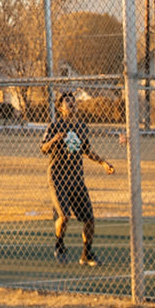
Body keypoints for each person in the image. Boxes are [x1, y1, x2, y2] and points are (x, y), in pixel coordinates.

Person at [39, 92, 117, 265]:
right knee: (65, 215)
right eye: (67, 101)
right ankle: (59, 245)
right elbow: (43, 148)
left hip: (76, 180)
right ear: (60, 108)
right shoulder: (54, 126)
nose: (71, 103)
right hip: (58, 178)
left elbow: (87, 150)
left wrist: (103, 163)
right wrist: (53, 140)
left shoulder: (82, 127)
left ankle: (86, 254)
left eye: (73, 100)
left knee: (89, 219)